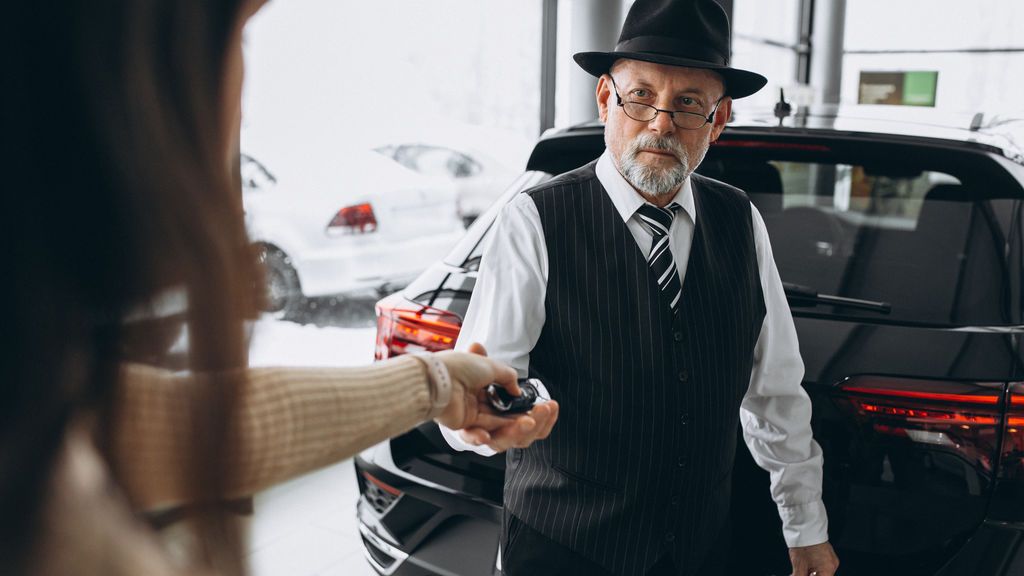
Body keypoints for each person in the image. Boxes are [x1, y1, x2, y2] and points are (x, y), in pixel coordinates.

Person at [2, 0, 558, 575]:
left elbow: (204, 426)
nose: (237, 103)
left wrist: (437, 382)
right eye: (235, 41)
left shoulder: (35, 399)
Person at [442, 1, 840, 575]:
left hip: (699, 553)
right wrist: (479, 419)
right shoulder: (535, 219)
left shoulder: (740, 220)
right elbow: (486, 389)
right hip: (564, 550)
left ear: (717, 120)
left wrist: (805, 529)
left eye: (687, 104)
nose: (660, 123)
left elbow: (775, 392)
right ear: (606, 98)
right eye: (641, 96)